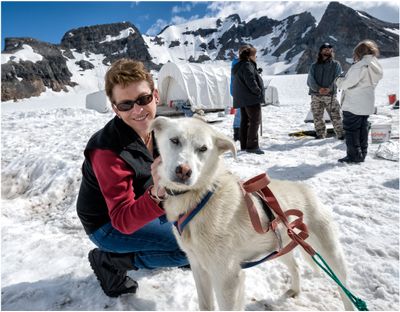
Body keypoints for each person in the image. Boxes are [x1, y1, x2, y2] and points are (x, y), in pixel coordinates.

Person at [76, 59, 188, 298]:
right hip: (107, 224)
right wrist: (158, 195)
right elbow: (122, 221)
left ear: (155, 95)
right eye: (126, 105)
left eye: (143, 99)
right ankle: (110, 262)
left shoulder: (161, 130)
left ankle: (169, 247)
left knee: (197, 224)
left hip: (144, 204)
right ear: (115, 108)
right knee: (189, 248)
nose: (138, 110)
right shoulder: (107, 151)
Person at [336, 40, 383, 163]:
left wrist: (339, 81)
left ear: (359, 52)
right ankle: (362, 153)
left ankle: (353, 156)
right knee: (362, 129)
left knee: (351, 130)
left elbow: (347, 84)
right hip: (367, 101)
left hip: (353, 103)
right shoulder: (375, 63)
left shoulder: (359, 66)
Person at [232, 45, 265, 154]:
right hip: (251, 98)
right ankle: (252, 146)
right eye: (255, 55)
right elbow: (250, 80)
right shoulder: (247, 65)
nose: (256, 57)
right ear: (250, 56)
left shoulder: (240, 65)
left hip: (243, 98)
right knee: (255, 121)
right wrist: (258, 91)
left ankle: (245, 145)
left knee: (245, 121)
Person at [307, 43, 344, 139]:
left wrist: (329, 89)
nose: (327, 50)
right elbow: (310, 80)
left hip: (330, 95)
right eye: (325, 49)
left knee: (335, 115)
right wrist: (318, 89)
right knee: (317, 116)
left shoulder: (336, 65)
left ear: (332, 51)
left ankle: (340, 135)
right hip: (316, 95)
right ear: (321, 51)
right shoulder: (314, 66)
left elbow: (338, 78)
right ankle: (320, 135)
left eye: (329, 49)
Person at [230, 55, 241, 141]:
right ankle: (238, 134)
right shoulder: (238, 64)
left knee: (239, 113)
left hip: (236, 91)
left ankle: (237, 133)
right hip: (239, 91)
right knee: (240, 113)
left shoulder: (235, 64)